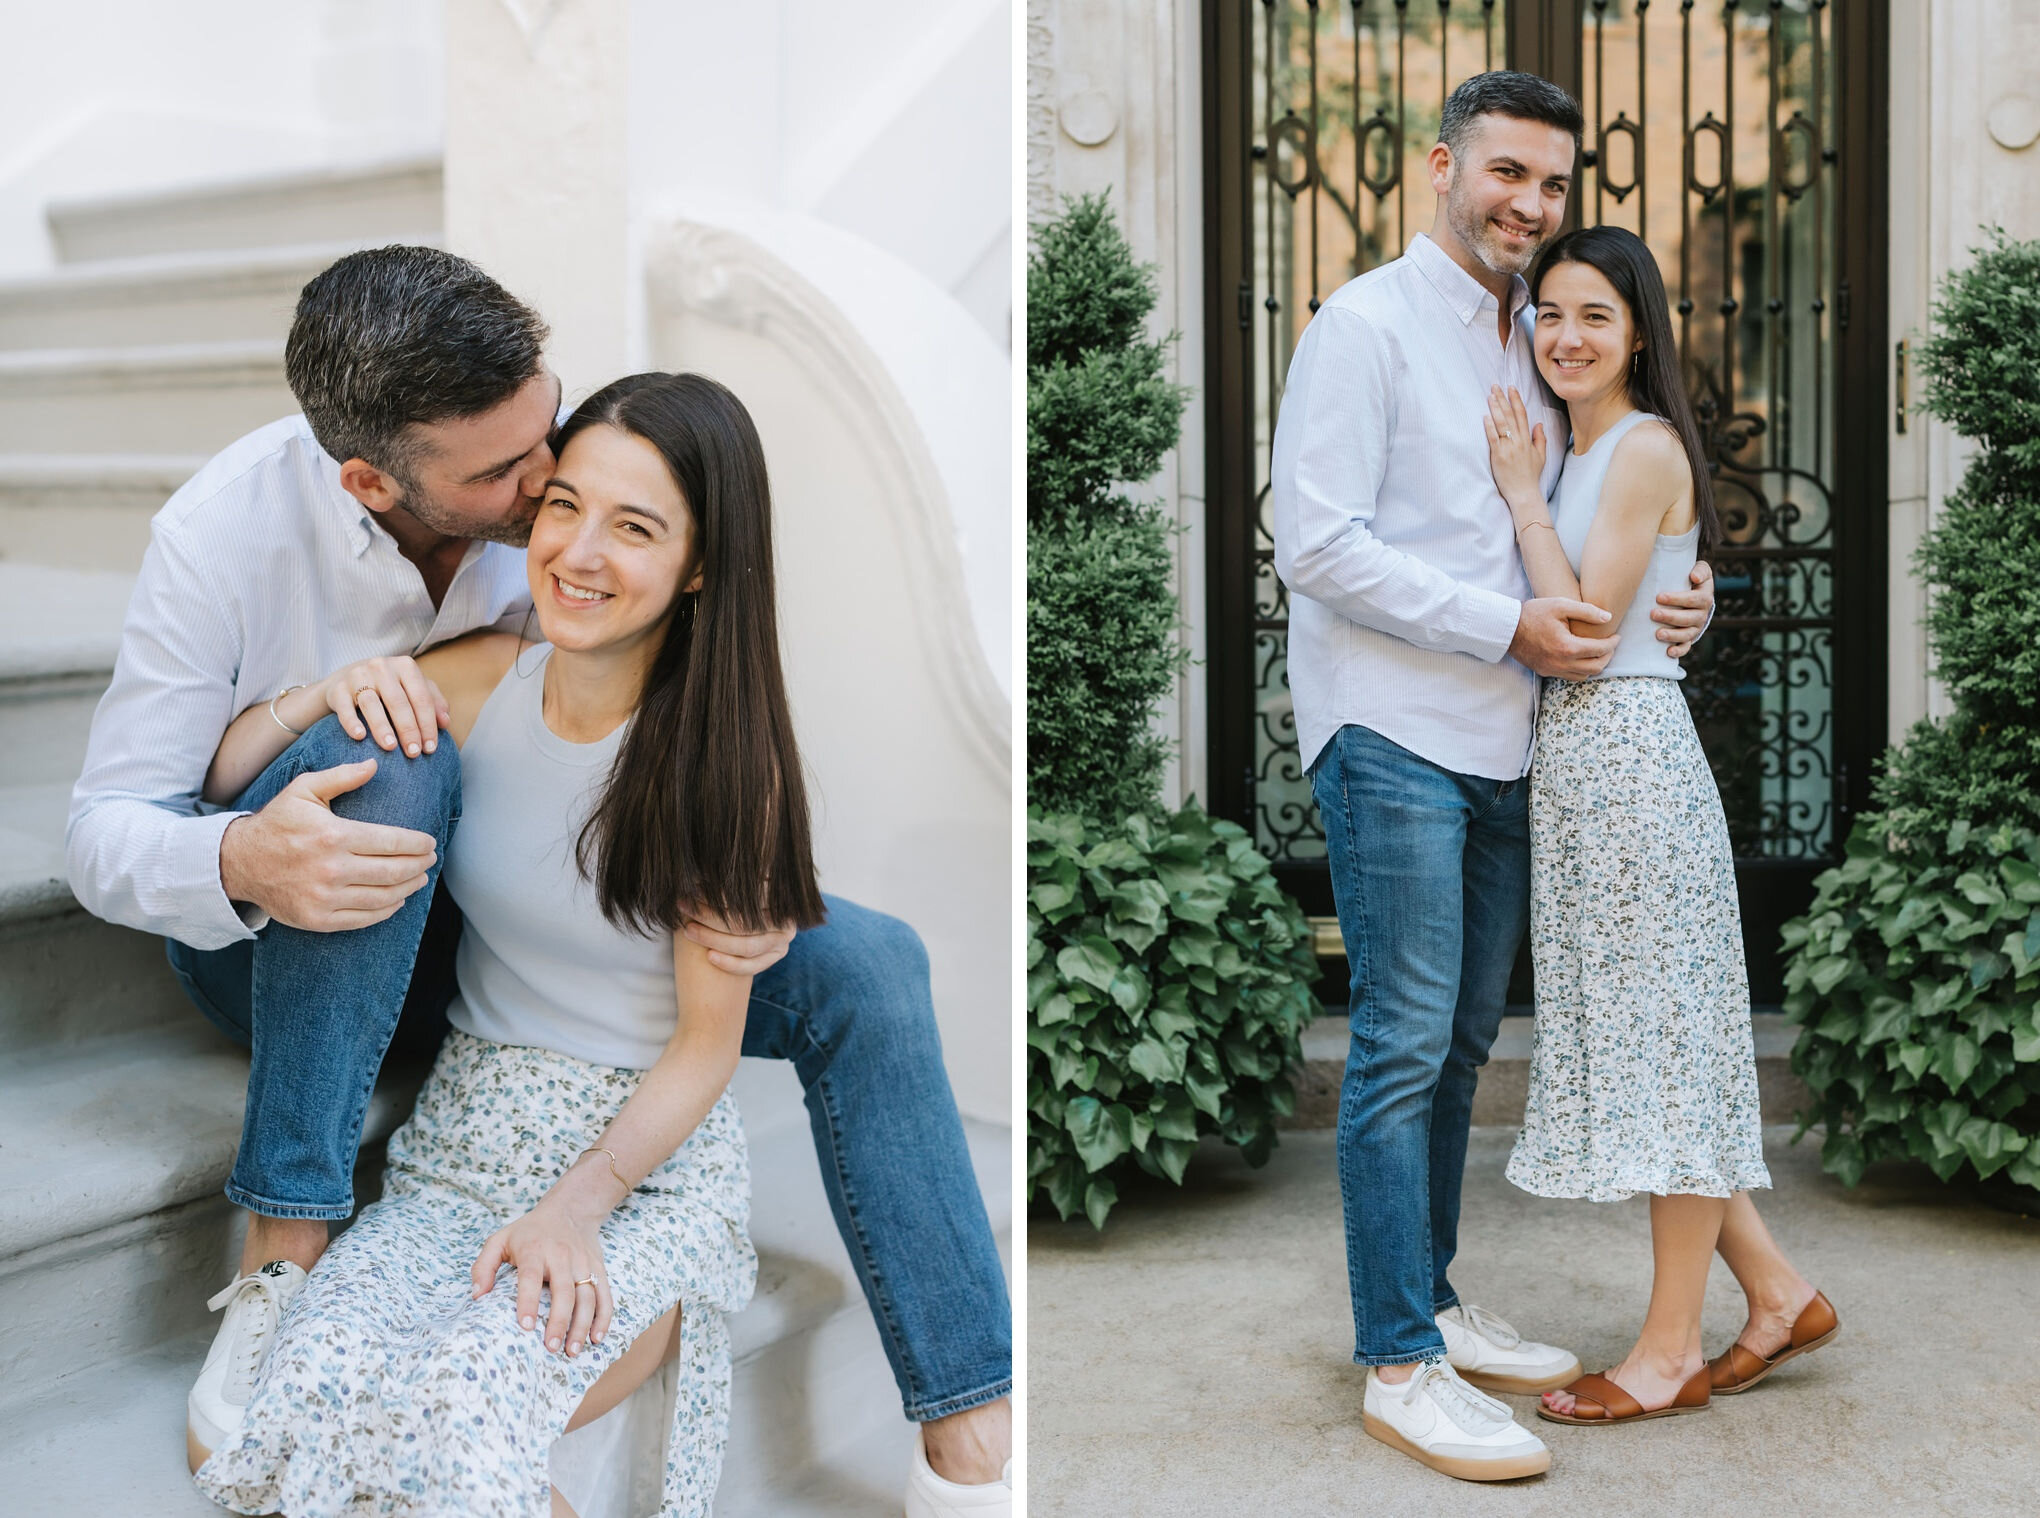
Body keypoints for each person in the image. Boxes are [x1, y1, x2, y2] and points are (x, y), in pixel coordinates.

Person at [65, 247, 1011, 1515]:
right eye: (520, 482)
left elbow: (676, 714)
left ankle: (970, 1430)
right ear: (372, 479)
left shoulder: (573, 515)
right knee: (377, 758)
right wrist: (247, 846)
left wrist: (739, 876)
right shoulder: (221, 535)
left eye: (548, 434)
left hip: (531, 937)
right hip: (294, 932)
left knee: (873, 961)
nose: (542, 495)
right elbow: (106, 827)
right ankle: (285, 1243)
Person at [189, 370, 811, 1514]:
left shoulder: (729, 776)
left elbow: (705, 1050)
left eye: (635, 528)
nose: (578, 551)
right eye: (564, 505)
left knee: (451, 1442)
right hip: (459, 1148)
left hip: (634, 1175)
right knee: (260, 1429)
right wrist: (321, 695)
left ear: (703, 562)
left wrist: (580, 1204)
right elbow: (216, 777)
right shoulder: (477, 685)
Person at [1269, 70, 1717, 1482]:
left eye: (1552, 183)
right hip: (1395, 726)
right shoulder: (1366, 326)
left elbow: (1607, 498)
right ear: (1441, 166)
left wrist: (1683, 594)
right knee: (1401, 1045)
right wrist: (1504, 625)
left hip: (1511, 738)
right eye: (1504, 173)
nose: (1528, 204)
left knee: (1463, 1045)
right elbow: (1316, 544)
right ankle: (1399, 1361)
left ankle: (1437, 1298)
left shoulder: (1545, 334)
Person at [1485, 224, 1837, 1428]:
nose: (1569, 337)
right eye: (1553, 314)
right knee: (1660, 1054)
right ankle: (1780, 1293)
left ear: (1639, 332)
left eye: (1596, 315)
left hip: (1628, 763)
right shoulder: (1589, 449)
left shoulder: (1629, 451)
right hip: (1591, 770)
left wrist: (1525, 499)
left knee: (1667, 1058)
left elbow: (1580, 629)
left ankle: (1668, 1352)